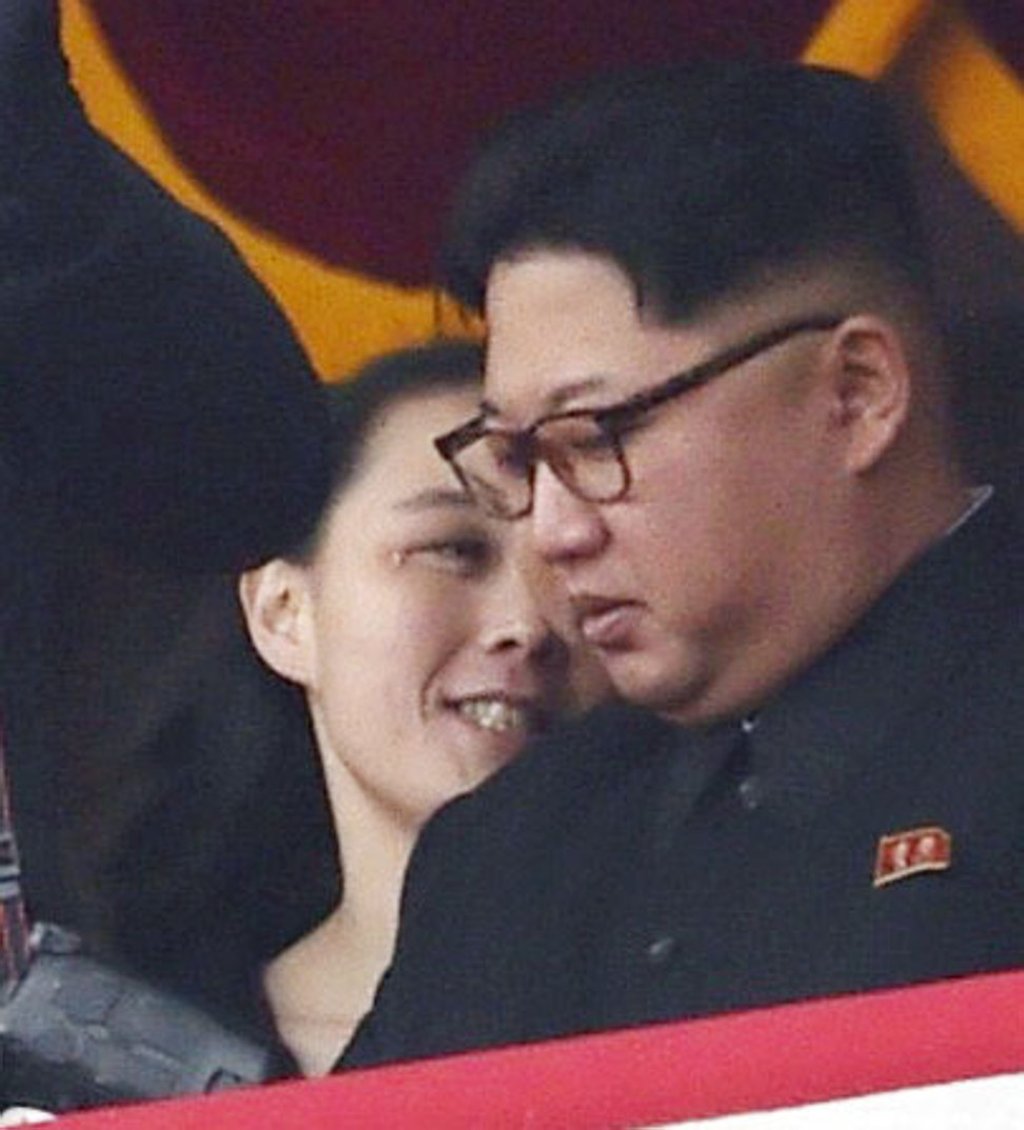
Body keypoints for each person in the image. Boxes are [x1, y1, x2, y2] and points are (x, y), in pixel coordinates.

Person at [341, 62, 1024, 1068]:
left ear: (857, 391)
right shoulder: (504, 850)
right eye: (520, 459)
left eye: (595, 437)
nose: (552, 530)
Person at [99, 339, 606, 1077]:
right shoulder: (133, 1060)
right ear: (283, 611)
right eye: (453, 550)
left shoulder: (722, 988)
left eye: (566, 562)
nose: (526, 625)